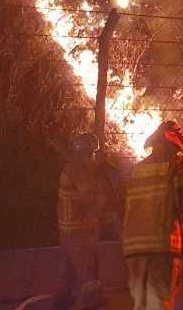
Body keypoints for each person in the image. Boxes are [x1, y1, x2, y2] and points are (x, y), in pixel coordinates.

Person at [122, 120, 183, 310]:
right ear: (174, 143)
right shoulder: (180, 166)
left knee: (141, 305)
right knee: (158, 304)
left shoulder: (137, 170)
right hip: (162, 247)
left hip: (133, 249)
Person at [55, 132, 123, 310]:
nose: (95, 157)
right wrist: (104, 197)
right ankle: (92, 303)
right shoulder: (77, 171)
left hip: (74, 232)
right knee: (88, 275)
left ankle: (62, 304)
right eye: (93, 153)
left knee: (69, 276)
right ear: (85, 153)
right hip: (77, 232)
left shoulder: (76, 169)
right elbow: (88, 199)